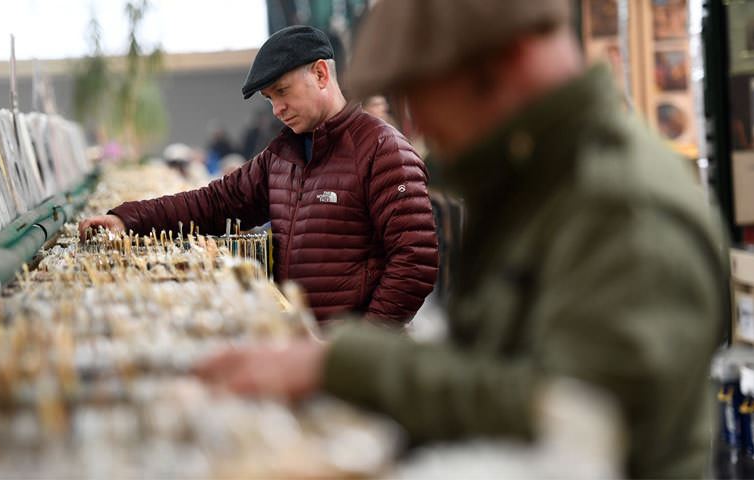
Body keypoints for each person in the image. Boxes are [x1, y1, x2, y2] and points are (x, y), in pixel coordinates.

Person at [193, 1, 728, 478]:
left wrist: (340, 364)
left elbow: (575, 422)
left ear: (504, 61)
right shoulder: (540, 180)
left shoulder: (620, 205)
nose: (419, 120)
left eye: (425, 91)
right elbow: (498, 364)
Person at [79, 25, 439, 325]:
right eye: (269, 98)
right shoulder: (281, 155)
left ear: (321, 73)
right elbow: (214, 203)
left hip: (348, 361)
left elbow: (415, 260)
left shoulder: (383, 149)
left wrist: (356, 350)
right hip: (301, 345)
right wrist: (128, 219)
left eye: (282, 92)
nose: (277, 109)